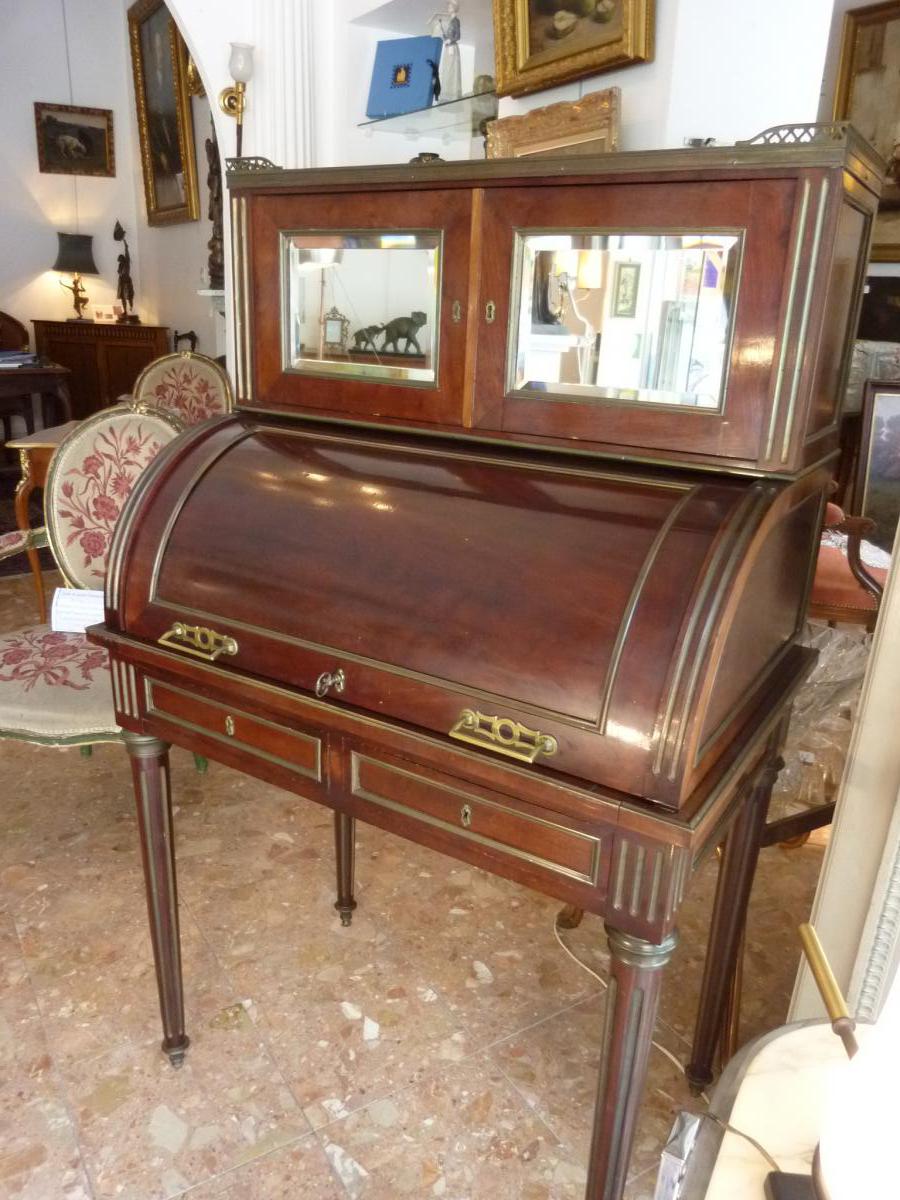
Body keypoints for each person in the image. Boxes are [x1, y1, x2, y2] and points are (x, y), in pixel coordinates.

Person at [430, 1, 461, 102]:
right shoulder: (451, 21)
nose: (448, 7)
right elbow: (447, 37)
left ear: (454, 8)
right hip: (448, 47)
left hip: (452, 48)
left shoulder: (456, 21)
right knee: (447, 69)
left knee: (452, 69)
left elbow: (458, 36)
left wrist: (450, 40)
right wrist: (442, 32)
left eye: (450, 6)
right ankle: (446, 92)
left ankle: (452, 93)